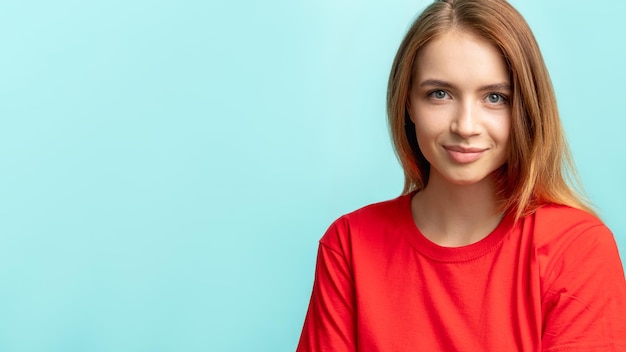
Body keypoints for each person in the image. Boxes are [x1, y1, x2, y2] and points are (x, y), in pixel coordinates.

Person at [296, 0, 626, 350]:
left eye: (495, 98)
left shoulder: (576, 249)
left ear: (526, 107)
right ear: (408, 102)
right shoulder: (349, 245)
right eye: (439, 94)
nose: (465, 126)